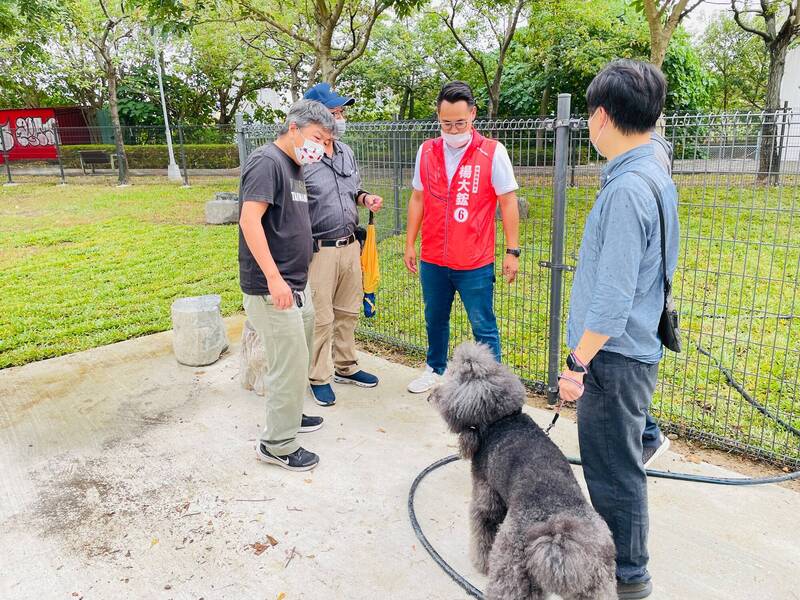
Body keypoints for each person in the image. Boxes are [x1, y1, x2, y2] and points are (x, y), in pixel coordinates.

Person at [558, 59, 679, 600]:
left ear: (602, 117)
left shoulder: (628, 190)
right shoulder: (652, 162)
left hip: (614, 357)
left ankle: (629, 581)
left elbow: (611, 300)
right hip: (635, 349)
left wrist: (577, 364)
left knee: (613, 478)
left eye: (589, 115)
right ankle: (648, 435)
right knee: (622, 453)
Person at [404, 81, 521, 394]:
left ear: (473, 115)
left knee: (483, 323)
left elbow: (507, 201)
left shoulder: (492, 152)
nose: (453, 130)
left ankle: (492, 382)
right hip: (433, 257)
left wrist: (513, 251)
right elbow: (418, 197)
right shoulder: (426, 151)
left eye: (460, 122)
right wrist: (409, 243)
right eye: (446, 123)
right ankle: (435, 367)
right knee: (434, 317)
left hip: (474, 260)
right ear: (438, 117)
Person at [238, 99, 335, 471]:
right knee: (287, 364)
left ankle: (291, 416)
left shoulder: (295, 165)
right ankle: (277, 443)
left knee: (299, 358)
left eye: (327, 142)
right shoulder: (267, 162)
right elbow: (249, 222)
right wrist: (274, 279)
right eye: (318, 138)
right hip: (272, 287)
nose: (322, 149)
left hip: (296, 284)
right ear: (293, 128)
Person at [301, 83, 384, 407]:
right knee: (321, 319)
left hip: (350, 245)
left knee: (347, 312)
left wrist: (366, 198)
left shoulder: (346, 151)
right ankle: (318, 376)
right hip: (318, 250)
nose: (341, 117)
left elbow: (354, 190)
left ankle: (346, 367)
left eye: (341, 112)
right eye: (334, 113)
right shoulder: (302, 155)